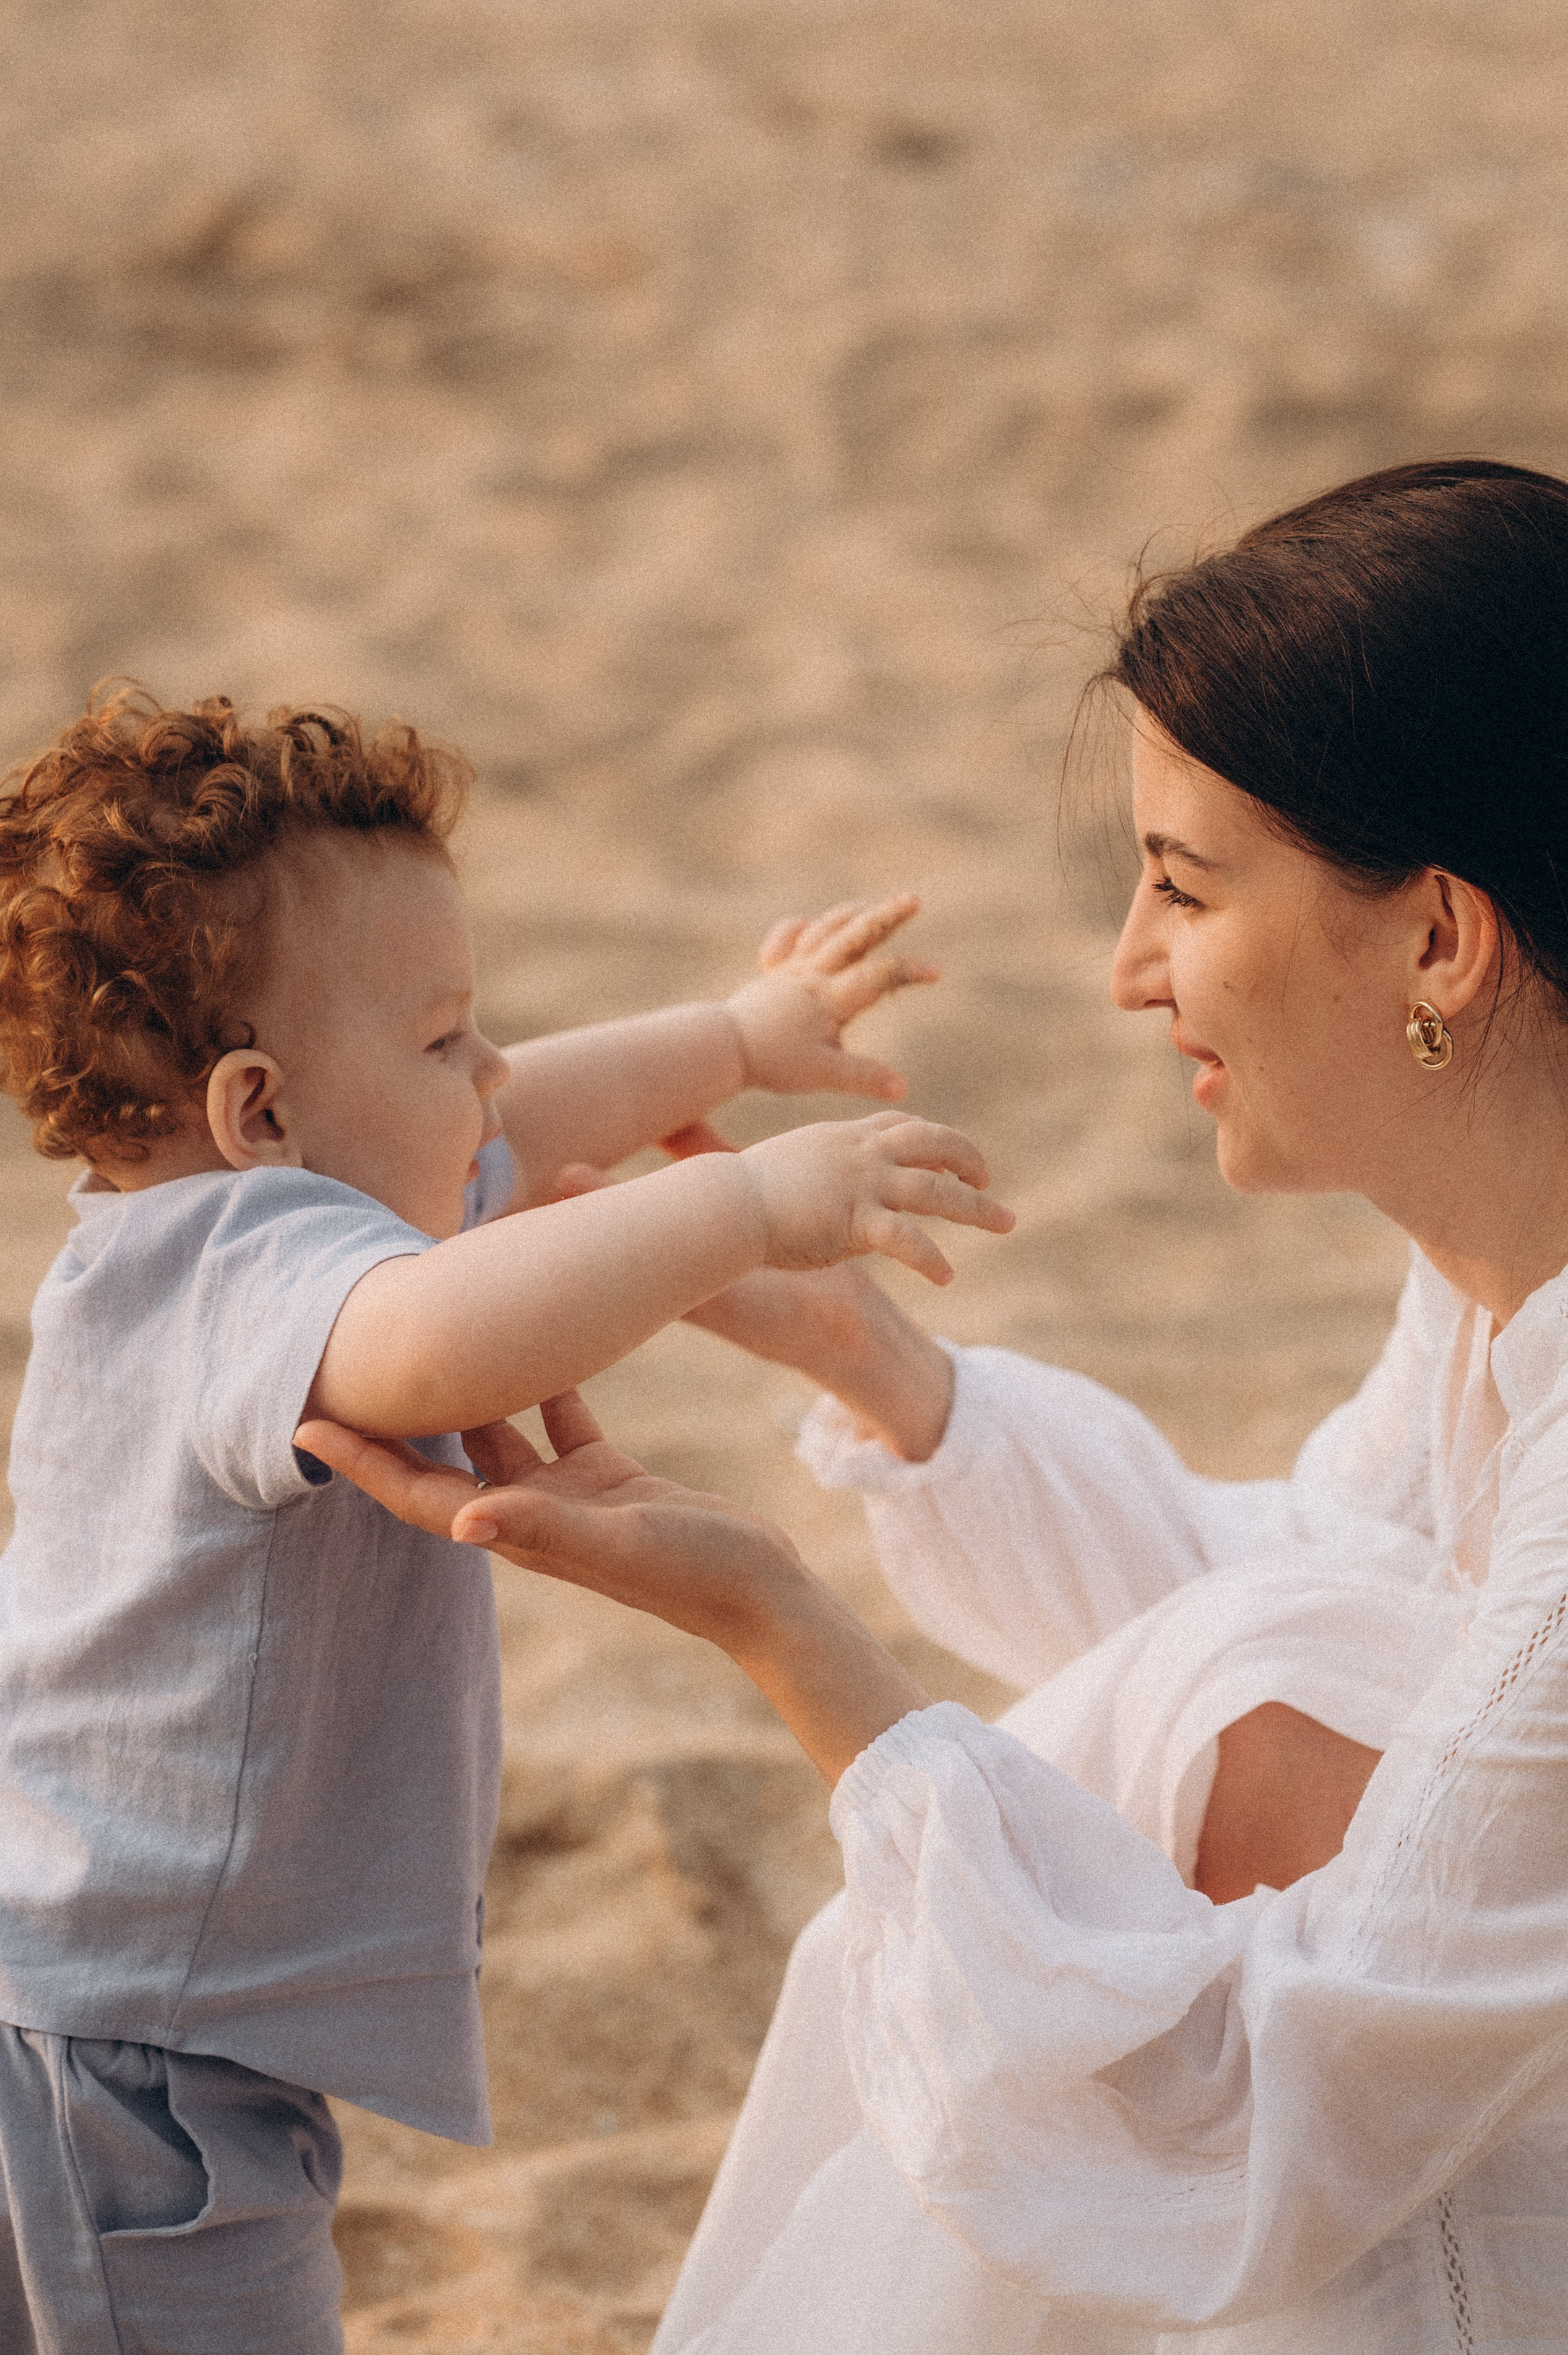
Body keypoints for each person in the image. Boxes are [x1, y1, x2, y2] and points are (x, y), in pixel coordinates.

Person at [307, 459, 1568, 2353]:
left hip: (1342, 2141)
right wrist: (872, 1362)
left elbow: (1258, 2110)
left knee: (1226, 1778)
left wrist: (788, 1637)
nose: (1131, 975)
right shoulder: (1497, 1290)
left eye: (1183, 887)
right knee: (1261, 1676)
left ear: (1440, 939)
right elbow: (1350, 1594)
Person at [0, 685, 1013, 2355]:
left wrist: (736, 1040)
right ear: (262, 1114)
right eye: (442, 1038)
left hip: (129, 2000)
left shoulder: (260, 1201)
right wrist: (747, 1197)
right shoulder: (250, 1265)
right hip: (125, 2066)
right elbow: (430, 1347)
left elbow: (521, 1123)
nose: (488, 1074)